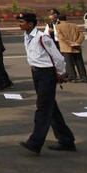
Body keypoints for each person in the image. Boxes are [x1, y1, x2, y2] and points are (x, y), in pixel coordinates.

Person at [17, 12, 76, 154]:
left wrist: (61, 73)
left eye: (22, 21)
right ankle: (66, 140)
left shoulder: (42, 38)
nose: (19, 24)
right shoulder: (27, 36)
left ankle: (35, 142)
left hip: (46, 74)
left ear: (30, 24)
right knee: (51, 108)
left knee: (43, 108)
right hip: (36, 73)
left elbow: (58, 58)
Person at [56, 15, 87, 83]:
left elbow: (62, 37)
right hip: (76, 47)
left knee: (69, 63)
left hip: (66, 47)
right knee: (79, 63)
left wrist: (70, 43)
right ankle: (84, 77)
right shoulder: (74, 25)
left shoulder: (58, 26)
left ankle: (72, 77)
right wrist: (77, 42)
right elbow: (82, 35)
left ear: (58, 20)